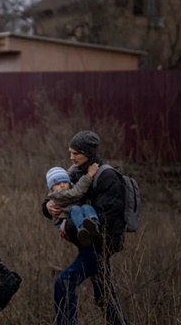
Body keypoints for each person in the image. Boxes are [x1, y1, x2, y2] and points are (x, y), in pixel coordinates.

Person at [41, 130, 129, 325]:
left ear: (87, 152)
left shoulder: (107, 177)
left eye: (75, 153)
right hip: (87, 243)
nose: (71, 157)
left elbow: (106, 219)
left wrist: (69, 224)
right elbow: (57, 195)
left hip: (101, 244)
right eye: (70, 152)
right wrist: (48, 207)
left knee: (64, 283)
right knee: (104, 296)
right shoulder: (75, 172)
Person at [46, 165, 102, 247]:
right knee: (75, 208)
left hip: (74, 215)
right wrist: (89, 176)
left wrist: (76, 165)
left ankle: (94, 224)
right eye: (58, 184)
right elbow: (76, 192)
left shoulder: (65, 187)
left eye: (65, 182)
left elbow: (67, 174)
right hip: (63, 220)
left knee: (86, 207)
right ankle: (82, 231)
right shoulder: (58, 194)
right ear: (52, 188)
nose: (62, 185)